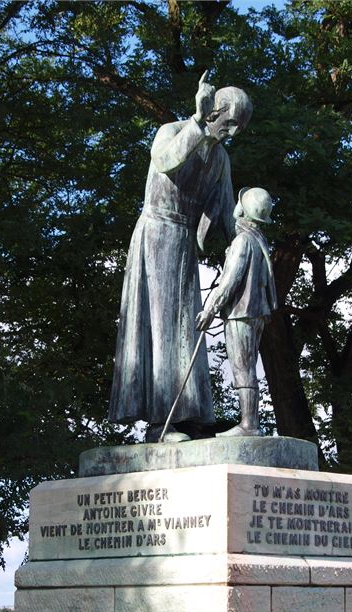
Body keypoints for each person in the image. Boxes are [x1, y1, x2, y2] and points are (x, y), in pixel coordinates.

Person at [108, 72, 253, 442]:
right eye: (231, 123)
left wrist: (249, 246)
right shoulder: (172, 130)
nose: (233, 133)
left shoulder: (220, 159)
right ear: (214, 112)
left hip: (184, 243)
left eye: (240, 127)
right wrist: (196, 123)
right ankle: (160, 422)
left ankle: (188, 415)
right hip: (157, 233)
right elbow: (166, 161)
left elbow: (225, 213)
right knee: (161, 327)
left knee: (187, 329)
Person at [195, 187, 277, 437]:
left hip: (241, 313)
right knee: (247, 366)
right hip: (256, 313)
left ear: (242, 209)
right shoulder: (259, 239)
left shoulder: (243, 241)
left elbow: (230, 281)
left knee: (243, 368)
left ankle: (248, 425)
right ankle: (249, 423)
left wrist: (209, 309)